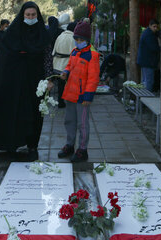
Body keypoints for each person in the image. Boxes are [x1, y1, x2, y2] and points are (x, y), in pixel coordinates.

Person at [0, 1, 53, 160]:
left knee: (35, 114)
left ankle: (32, 147)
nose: (30, 17)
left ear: (38, 15)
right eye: (28, 15)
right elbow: (3, 55)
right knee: (13, 111)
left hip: (35, 81)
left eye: (33, 15)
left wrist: (49, 79)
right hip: (14, 81)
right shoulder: (12, 33)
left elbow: (47, 57)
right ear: (22, 15)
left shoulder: (43, 33)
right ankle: (11, 144)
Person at [57, 20, 100, 162]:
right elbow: (69, 65)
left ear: (87, 40)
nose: (78, 41)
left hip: (82, 97)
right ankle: (70, 145)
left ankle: (82, 149)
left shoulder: (92, 55)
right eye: (76, 39)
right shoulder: (75, 51)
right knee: (69, 121)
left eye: (81, 39)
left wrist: (88, 96)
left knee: (82, 124)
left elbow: (93, 78)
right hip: (70, 93)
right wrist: (65, 72)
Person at [52, 21, 76, 108]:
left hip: (57, 64)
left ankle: (60, 101)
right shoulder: (73, 38)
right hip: (67, 64)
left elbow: (54, 51)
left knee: (60, 84)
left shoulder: (60, 36)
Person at [137, 19, 160, 92]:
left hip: (145, 61)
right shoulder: (149, 35)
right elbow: (154, 48)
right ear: (150, 26)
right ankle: (146, 98)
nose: (155, 28)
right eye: (154, 26)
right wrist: (160, 47)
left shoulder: (147, 32)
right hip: (148, 62)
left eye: (157, 27)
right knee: (149, 81)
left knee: (145, 81)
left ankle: (144, 97)